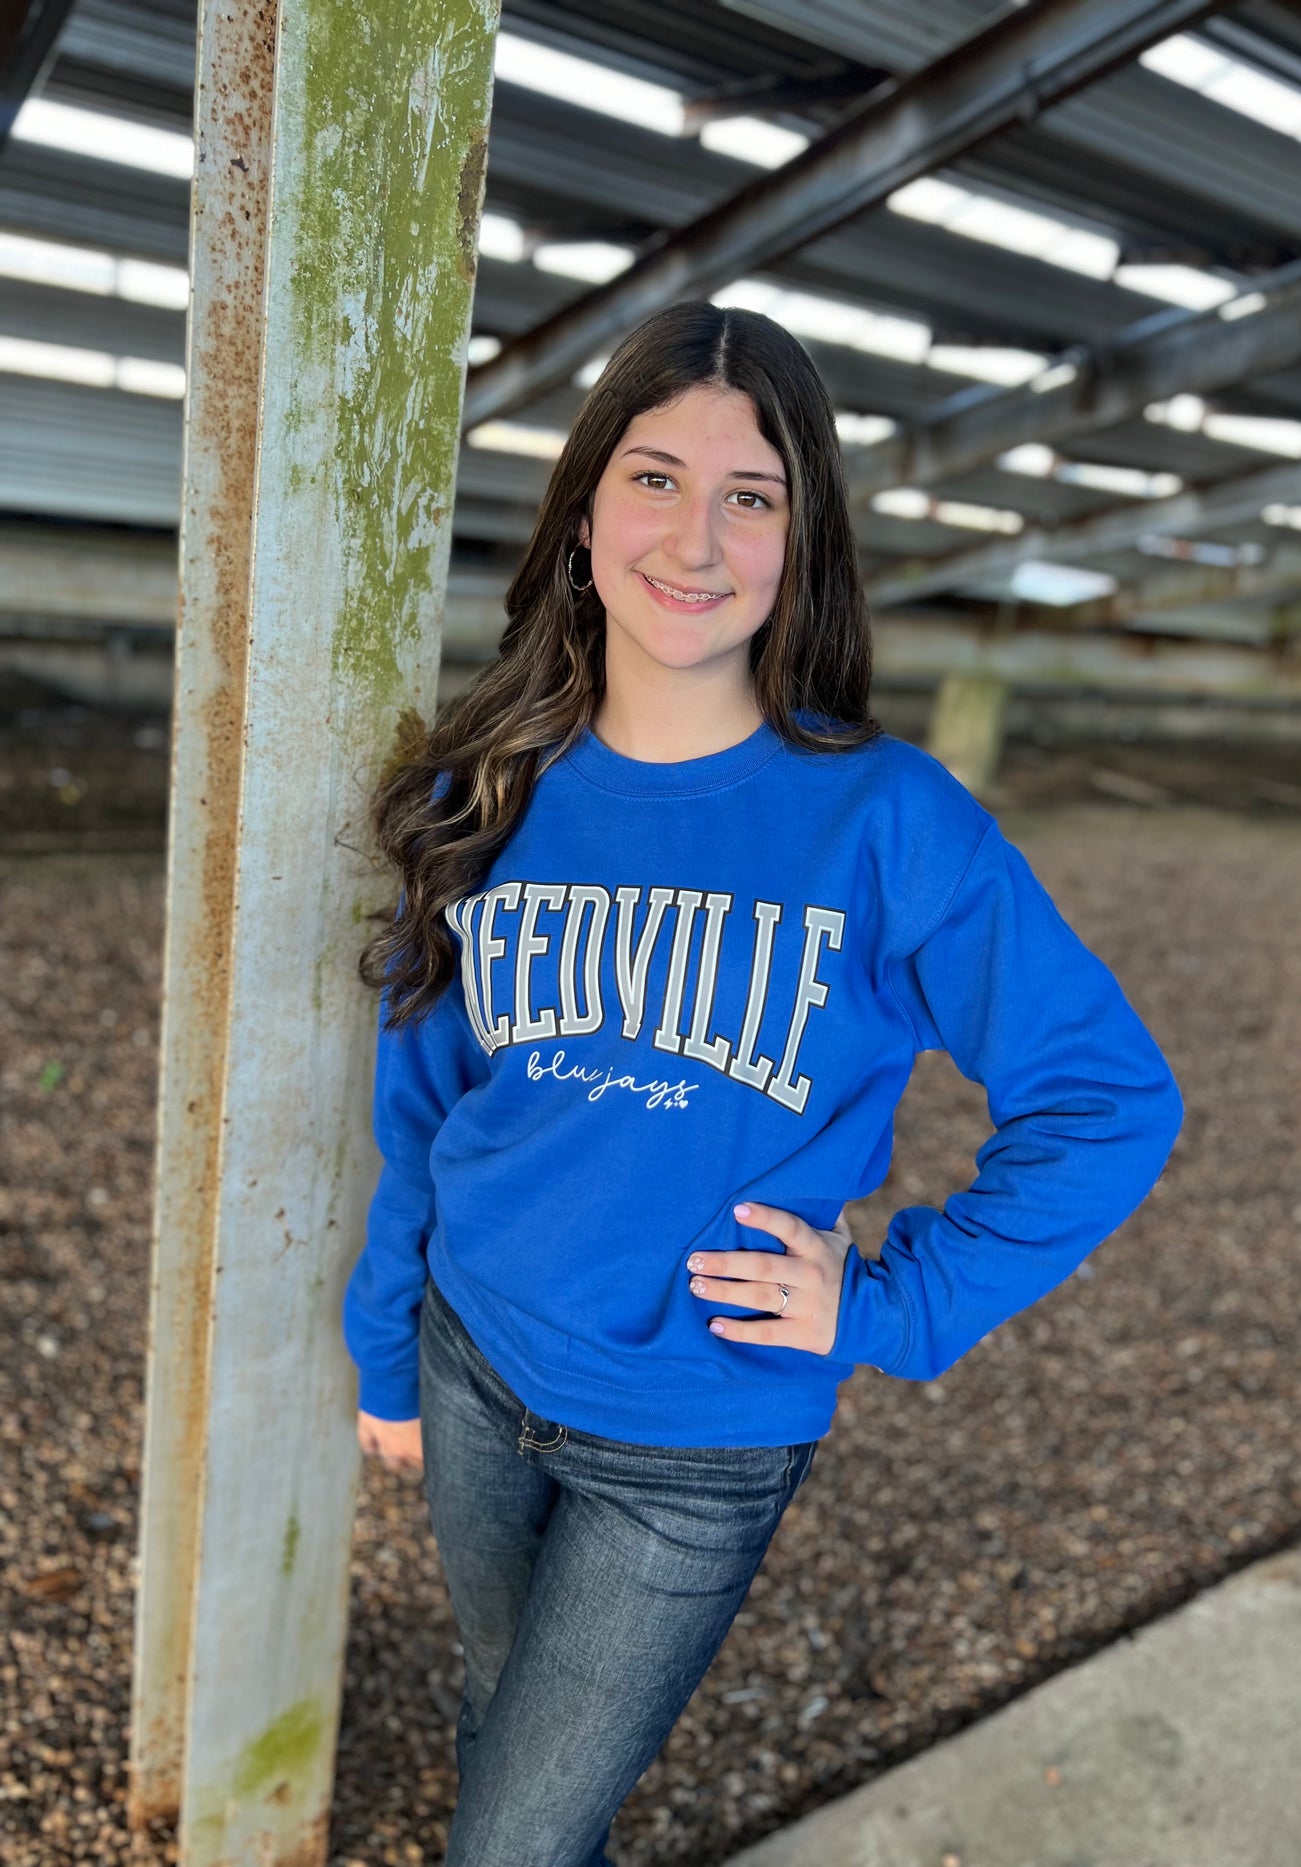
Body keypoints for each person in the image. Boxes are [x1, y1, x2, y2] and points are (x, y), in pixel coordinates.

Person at [341, 299, 1184, 1867]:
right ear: (585, 515)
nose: (697, 535)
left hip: (695, 1436)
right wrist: (387, 1352)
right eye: (655, 477)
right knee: (497, 1715)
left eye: (753, 495)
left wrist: (889, 1301)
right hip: (472, 1360)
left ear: (803, 544)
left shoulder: (888, 825)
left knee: (513, 1842)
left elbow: (1111, 1105)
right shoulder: (488, 786)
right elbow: (430, 1099)